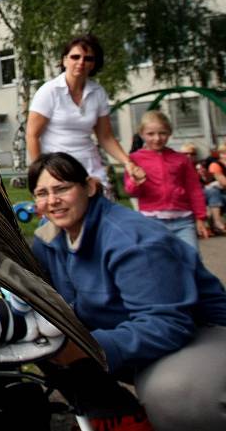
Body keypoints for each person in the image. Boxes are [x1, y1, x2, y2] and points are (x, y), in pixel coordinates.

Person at [28, 152, 226, 431]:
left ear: (90, 187)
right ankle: (118, 418)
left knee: (172, 392)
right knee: (38, 343)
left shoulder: (132, 240)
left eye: (62, 188)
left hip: (198, 333)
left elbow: (168, 324)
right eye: (42, 193)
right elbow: (37, 286)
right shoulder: (51, 238)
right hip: (126, 330)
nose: (52, 201)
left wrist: (88, 347)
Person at [26, 34, 145, 194]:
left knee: (101, 213)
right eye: (75, 57)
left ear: (94, 64)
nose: (81, 62)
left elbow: (106, 137)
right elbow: (32, 135)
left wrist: (127, 162)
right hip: (58, 170)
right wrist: (39, 173)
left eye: (88, 59)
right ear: (64, 60)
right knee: (65, 214)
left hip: (91, 168)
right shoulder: (49, 91)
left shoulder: (98, 92)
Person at [123, 110, 208, 249]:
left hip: (184, 221)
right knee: (160, 263)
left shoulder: (181, 159)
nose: (157, 138)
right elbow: (131, 192)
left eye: (162, 133)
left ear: (169, 133)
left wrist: (200, 217)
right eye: (150, 134)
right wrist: (135, 182)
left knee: (191, 260)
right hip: (152, 221)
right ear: (142, 134)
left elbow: (194, 190)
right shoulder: (134, 160)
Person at [204, 143, 226, 234]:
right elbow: (224, 183)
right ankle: (216, 222)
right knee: (214, 192)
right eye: (223, 153)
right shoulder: (215, 165)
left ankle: (215, 223)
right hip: (214, 194)